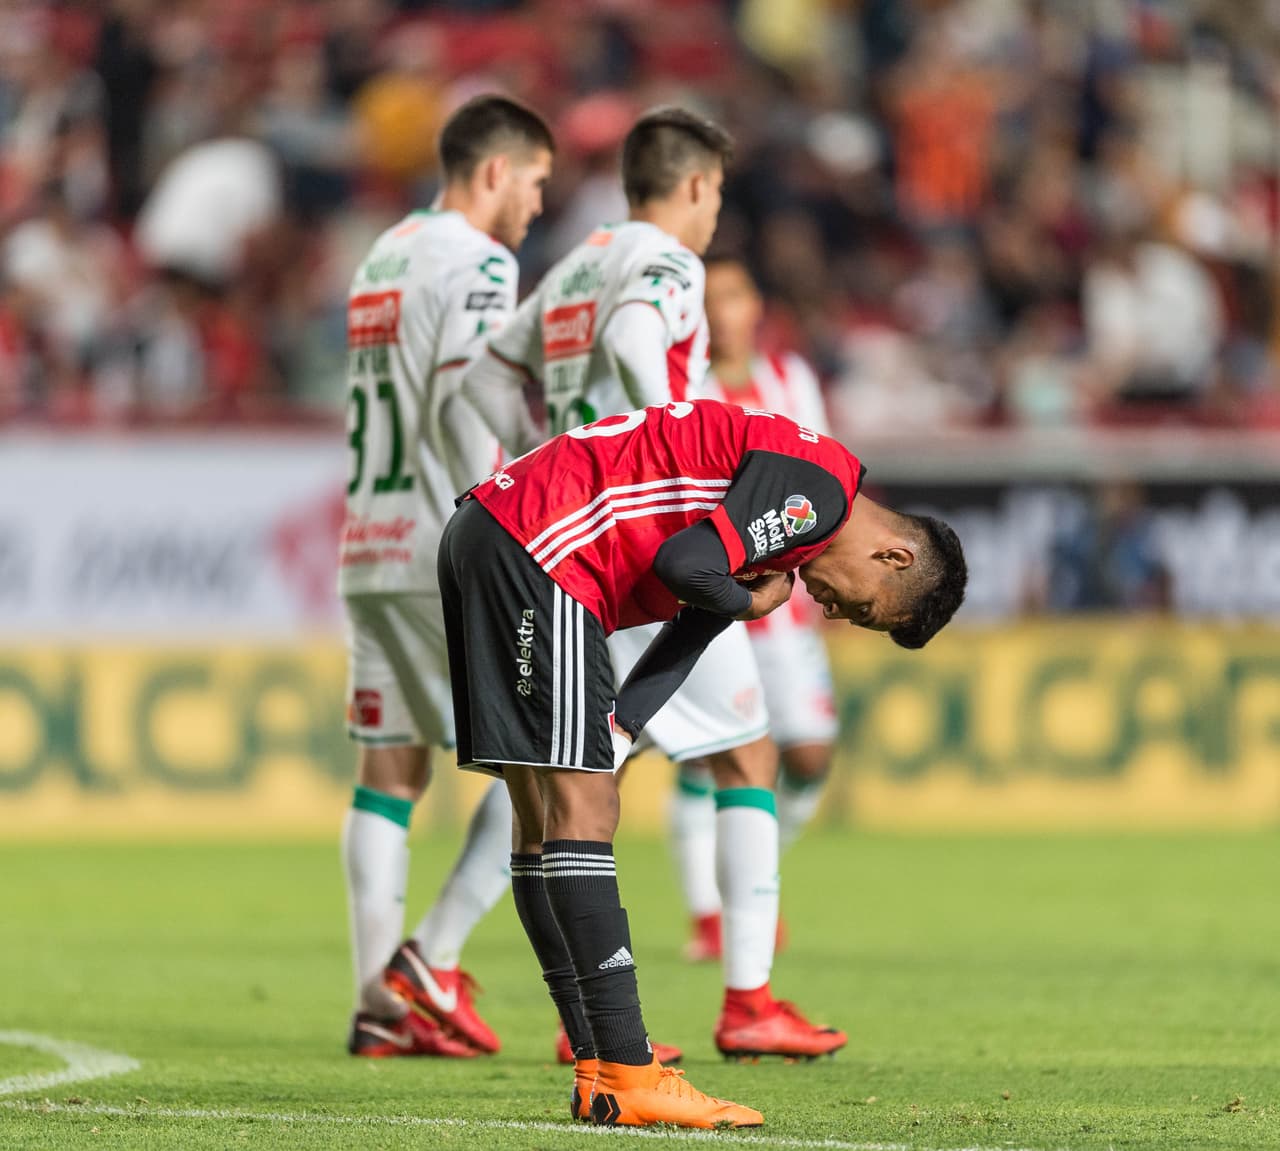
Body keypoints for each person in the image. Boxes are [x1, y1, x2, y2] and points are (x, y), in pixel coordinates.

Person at [438, 398, 968, 1128]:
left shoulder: (792, 505)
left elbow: (694, 618)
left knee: (542, 816)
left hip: (495, 532)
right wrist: (751, 607)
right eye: (868, 610)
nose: (839, 615)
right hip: (543, 549)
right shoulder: (819, 492)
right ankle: (628, 1068)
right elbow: (684, 565)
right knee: (583, 809)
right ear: (894, 557)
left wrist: (624, 722)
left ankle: (599, 1066)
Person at [460, 106, 845, 1063]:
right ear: (700, 187)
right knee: (746, 757)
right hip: (644, 542)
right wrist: (669, 437)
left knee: (566, 787)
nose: (715, 223)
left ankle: (548, 1003)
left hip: (564, 539)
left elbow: (481, 385)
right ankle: (748, 999)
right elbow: (641, 340)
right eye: (716, 198)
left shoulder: (578, 262)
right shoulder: (668, 265)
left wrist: (549, 454)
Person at [337, 95, 554, 1058]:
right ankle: (434, 957)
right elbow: (473, 388)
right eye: (538, 183)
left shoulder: (382, 253)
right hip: (443, 540)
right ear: (496, 171)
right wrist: (505, 507)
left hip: (369, 541)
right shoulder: (479, 261)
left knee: (390, 771)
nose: (539, 205)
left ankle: (378, 1003)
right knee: (552, 751)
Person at [674, 254, 839, 962]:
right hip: (711, 594)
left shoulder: (789, 378)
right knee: (704, 756)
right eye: (709, 298)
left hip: (783, 601)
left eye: (734, 294)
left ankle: (749, 876)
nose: (722, 310)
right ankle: (712, 914)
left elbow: (826, 469)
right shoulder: (684, 385)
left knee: (806, 753)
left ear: (754, 305)